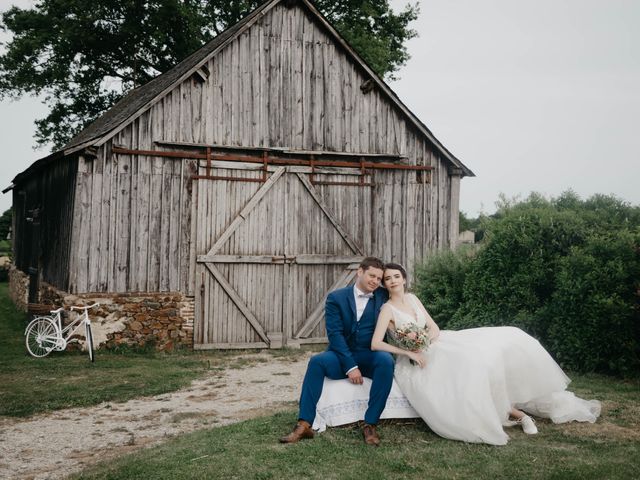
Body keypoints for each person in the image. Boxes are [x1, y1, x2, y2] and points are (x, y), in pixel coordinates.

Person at [371, 263, 601, 446]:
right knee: (468, 366)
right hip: (413, 359)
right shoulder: (387, 309)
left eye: (395, 276)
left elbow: (434, 327)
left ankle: (518, 413)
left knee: (484, 353)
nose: (392, 281)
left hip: (435, 344)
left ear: (403, 278)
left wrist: (426, 341)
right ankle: (518, 415)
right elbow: (376, 343)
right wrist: (410, 351)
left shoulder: (413, 298)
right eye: (387, 279)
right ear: (384, 284)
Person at [280, 257, 394, 446]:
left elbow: (402, 300)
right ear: (360, 272)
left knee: (386, 361)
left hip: (370, 353)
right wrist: (350, 366)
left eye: (379, 278)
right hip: (342, 354)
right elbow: (335, 334)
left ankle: (370, 424)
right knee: (316, 361)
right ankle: (304, 424)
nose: (375, 281)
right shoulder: (336, 297)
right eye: (371, 276)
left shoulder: (383, 295)